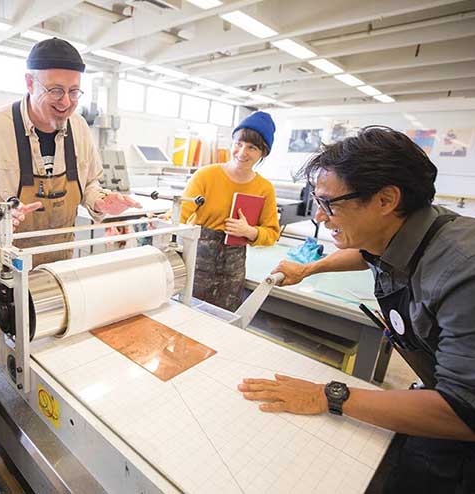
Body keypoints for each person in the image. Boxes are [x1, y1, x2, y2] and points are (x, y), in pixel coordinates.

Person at [239, 126, 475, 493]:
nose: (320, 217)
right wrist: (308, 269)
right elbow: (367, 253)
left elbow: (462, 412)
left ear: (385, 200)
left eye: (330, 204)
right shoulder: (412, 227)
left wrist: (329, 396)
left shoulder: (463, 272)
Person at [0, 38, 140, 265]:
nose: (66, 102)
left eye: (73, 92)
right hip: (7, 268)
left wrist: (101, 201)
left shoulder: (79, 127)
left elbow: (89, 184)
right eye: (55, 90)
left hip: (61, 265)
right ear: (30, 83)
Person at [180, 111, 280, 311]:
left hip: (233, 269)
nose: (242, 152)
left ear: (263, 152)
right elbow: (180, 218)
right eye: (238, 144)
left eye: (251, 147)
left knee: (224, 322)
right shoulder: (206, 176)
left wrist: (249, 231)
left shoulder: (264, 188)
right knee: (187, 316)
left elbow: (272, 233)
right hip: (197, 262)